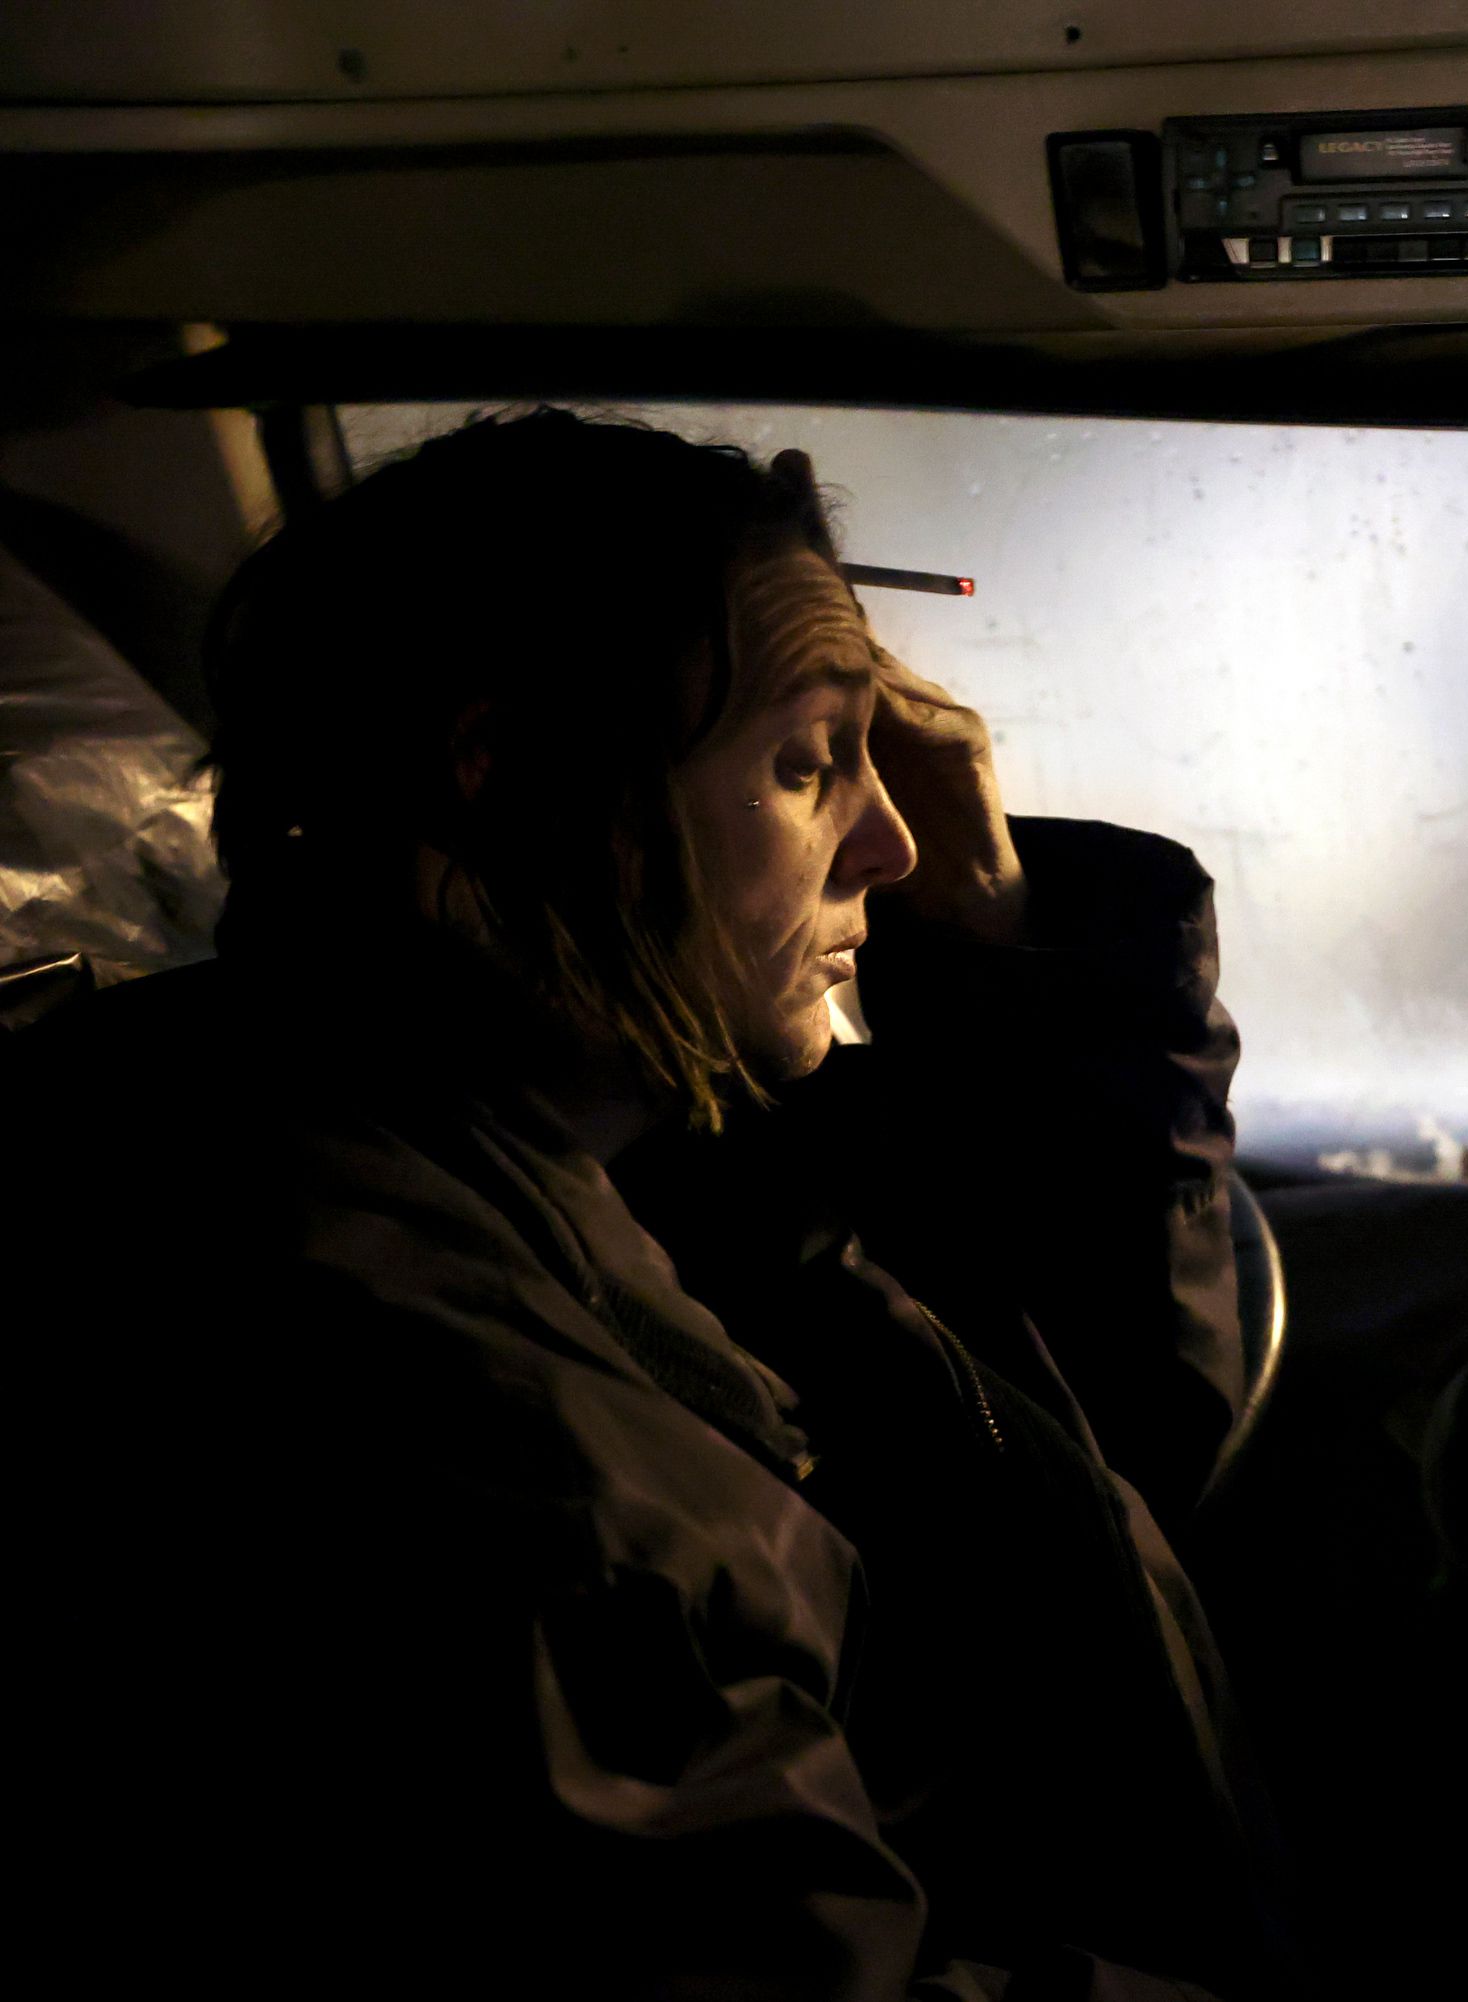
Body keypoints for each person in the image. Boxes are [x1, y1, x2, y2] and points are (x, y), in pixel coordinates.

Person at [4, 410, 1286, 1999]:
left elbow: (1082, 1480)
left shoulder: (593, 1142)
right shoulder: (473, 1440)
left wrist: (1012, 939)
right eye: (809, 763)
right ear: (520, 781)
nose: (890, 838)